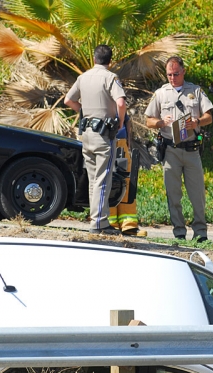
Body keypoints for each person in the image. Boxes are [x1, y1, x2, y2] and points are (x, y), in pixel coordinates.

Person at [144, 56, 213, 242]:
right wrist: (160, 122)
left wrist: (197, 122)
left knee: (197, 194)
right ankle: (179, 232)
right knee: (173, 193)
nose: (172, 78)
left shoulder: (196, 91)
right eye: (169, 74)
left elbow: (209, 116)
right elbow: (148, 120)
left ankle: (200, 233)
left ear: (183, 71)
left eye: (175, 74)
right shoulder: (161, 93)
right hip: (170, 150)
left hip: (192, 150)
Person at [64, 45, 126, 235]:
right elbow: (121, 102)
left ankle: (96, 218)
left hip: (87, 133)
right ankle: (99, 223)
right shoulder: (110, 78)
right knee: (103, 178)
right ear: (110, 61)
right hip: (103, 136)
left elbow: (68, 100)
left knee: (93, 179)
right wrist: (119, 123)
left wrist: (85, 113)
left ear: (94, 58)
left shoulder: (83, 77)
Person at [109, 115, 147, 237]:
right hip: (107, 139)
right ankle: (111, 224)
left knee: (122, 182)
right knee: (112, 182)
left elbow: (126, 118)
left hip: (118, 140)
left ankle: (128, 225)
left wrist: (127, 140)